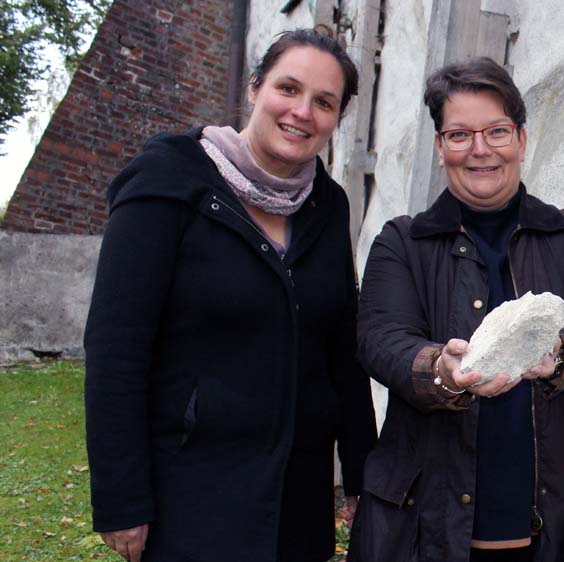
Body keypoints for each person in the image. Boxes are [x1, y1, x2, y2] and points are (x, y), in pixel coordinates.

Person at [84, 27, 377, 562]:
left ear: (338, 117)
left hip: (298, 494)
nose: (302, 112)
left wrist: (362, 471)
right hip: (191, 488)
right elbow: (115, 347)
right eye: (288, 89)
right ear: (255, 88)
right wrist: (121, 497)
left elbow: (341, 347)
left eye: (324, 102)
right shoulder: (168, 179)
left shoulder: (327, 206)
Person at [348, 57, 564, 562]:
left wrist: (558, 354)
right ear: (440, 148)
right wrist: (441, 370)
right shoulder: (402, 243)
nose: (480, 149)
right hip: (424, 530)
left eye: (497, 131)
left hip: (563, 531)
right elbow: (380, 338)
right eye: (459, 134)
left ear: (522, 139)